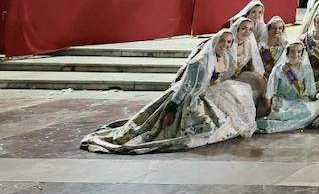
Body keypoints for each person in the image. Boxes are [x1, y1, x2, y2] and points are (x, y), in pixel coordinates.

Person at [82, 28, 256, 154]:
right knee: (201, 126)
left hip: (210, 94)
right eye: (223, 41)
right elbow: (186, 86)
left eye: (229, 42)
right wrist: (172, 108)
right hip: (190, 97)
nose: (226, 45)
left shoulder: (224, 56)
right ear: (215, 41)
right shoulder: (201, 61)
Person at [258, 40, 319, 134]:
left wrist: (312, 99)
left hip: (299, 100)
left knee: (306, 111)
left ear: (302, 54)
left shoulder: (306, 68)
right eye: (292, 51)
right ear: (287, 52)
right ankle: (273, 122)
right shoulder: (280, 69)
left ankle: (281, 121)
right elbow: (271, 87)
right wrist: (268, 104)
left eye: (299, 52)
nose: (295, 54)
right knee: (281, 113)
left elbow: (310, 89)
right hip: (282, 100)